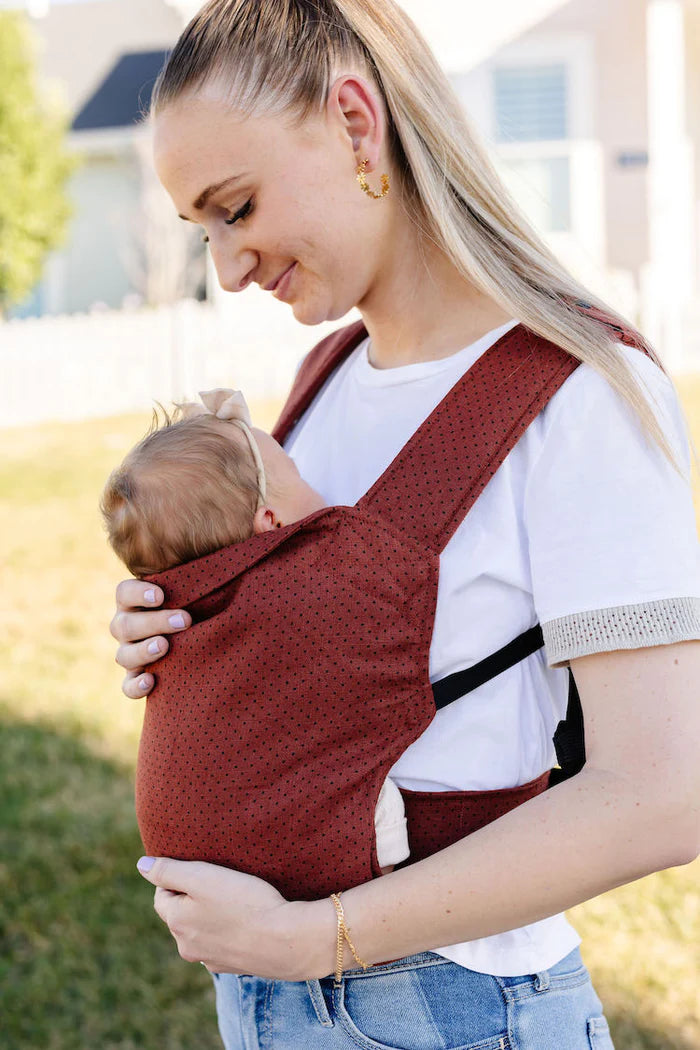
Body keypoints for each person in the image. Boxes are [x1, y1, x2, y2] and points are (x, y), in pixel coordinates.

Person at [109, 1, 700, 1047]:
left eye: (235, 208)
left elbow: (660, 795)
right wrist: (185, 632)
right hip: (266, 1003)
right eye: (203, 229)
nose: (228, 268)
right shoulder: (323, 382)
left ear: (352, 121)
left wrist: (320, 939)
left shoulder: (579, 395)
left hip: (454, 1009)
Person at [100, 387, 410, 877]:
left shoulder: (189, 600)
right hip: (308, 840)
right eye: (299, 476)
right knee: (372, 800)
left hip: (181, 836)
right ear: (271, 521)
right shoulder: (314, 592)